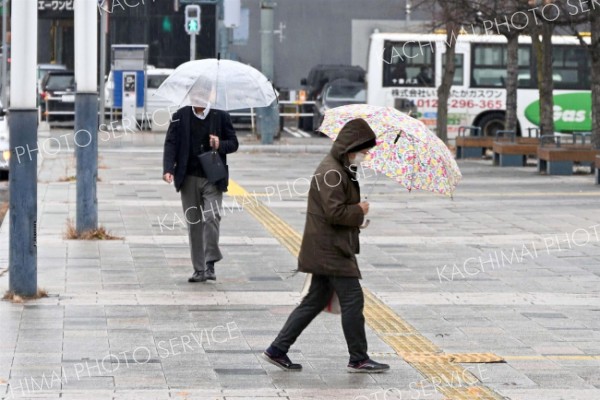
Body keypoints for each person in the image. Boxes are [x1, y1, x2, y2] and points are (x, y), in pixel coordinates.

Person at [262, 118, 390, 373]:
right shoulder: (332, 171)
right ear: (350, 146)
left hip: (327, 245)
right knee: (353, 299)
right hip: (330, 250)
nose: (365, 156)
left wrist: (356, 219)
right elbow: (334, 213)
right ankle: (359, 358)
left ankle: (277, 349)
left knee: (314, 300)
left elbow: (333, 212)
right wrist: (358, 210)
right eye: (363, 151)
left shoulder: (339, 167)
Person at [162, 100, 238, 283]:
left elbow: (234, 144)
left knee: (212, 217)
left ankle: (210, 262)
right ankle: (199, 269)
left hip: (212, 177)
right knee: (194, 223)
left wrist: (220, 144)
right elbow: (170, 143)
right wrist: (168, 169)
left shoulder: (220, 115)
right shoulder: (180, 116)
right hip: (187, 177)